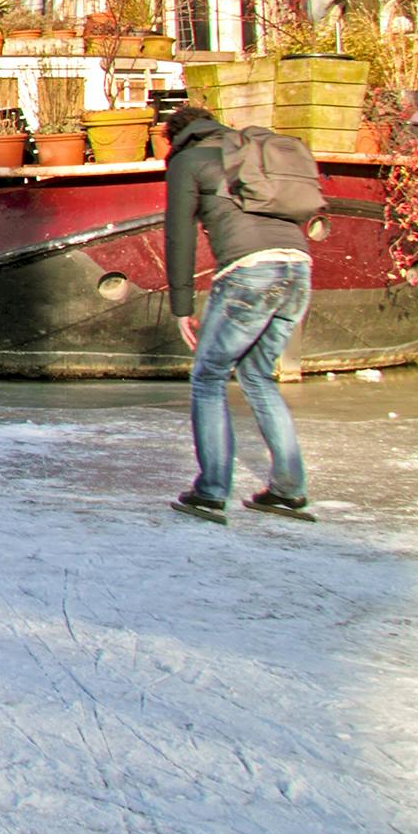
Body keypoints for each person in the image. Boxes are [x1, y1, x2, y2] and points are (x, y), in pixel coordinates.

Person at [163, 105, 315, 523]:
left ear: (174, 137)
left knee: (208, 376)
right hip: (298, 268)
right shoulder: (250, 152)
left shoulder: (188, 161)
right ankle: (288, 490)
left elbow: (179, 234)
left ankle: (210, 491)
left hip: (250, 273)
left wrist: (181, 308)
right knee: (258, 377)